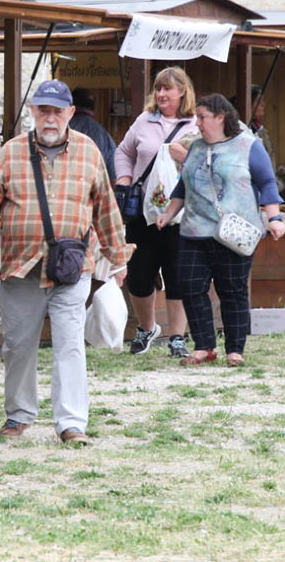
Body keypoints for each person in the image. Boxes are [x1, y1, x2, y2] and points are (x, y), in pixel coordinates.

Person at [0, 79, 132, 445]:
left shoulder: (89, 152)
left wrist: (118, 261)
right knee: (18, 345)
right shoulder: (10, 153)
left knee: (69, 345)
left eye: (57, 111)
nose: (50, 118)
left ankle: (71, 423)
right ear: (33, 113)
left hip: (73, 268)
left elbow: (106, 209)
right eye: (43, 110)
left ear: (71, 113)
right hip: (19, 267)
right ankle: (19, 415)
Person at [156, 94, 285, 367]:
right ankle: (204, 346)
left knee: (232, 290)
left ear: (220, 117)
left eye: (202, 117)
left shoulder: (249, 145)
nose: (198, 123)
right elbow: (184, 185)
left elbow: (267, 183)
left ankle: (234, 349)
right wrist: (168, 213)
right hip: (193, 231)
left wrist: (274, 218)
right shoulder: (196, 147)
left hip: (234, 232)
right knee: (190, 287)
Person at [114, 66, 199, 357]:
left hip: (181, 213)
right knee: (139, 274)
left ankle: (178, 336)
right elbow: (123, 152)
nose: (161, 94)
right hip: (143, 213)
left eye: (167, 89)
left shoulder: (196, 125)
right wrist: (124, 179)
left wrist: (184, 156)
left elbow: (208, 163)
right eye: (158, 89)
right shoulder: (144, 120)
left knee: (178, 275)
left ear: (182, 92)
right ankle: (146, 327)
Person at [69, 87, 117, 180]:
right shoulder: (105, 136)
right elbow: (113, 176)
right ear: (94, 108)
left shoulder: (59, 130)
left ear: (71, 106)